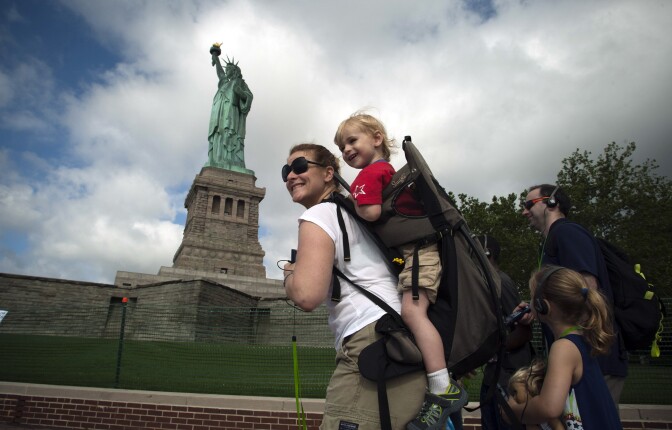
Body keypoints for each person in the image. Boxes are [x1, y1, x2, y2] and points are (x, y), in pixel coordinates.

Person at [334, 112, 467, 430]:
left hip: (418, 254)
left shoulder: (368, 176)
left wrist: (347, 202)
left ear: (376, 138)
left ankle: (441, 388)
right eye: (341, 147)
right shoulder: (386, 171)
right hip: (419, 254)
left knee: (412, 313)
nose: (347, 150)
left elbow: (370, 212)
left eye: (352, 140)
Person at [282, 143, 426, 430]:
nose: (290, 176)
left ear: (328, 173)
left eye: (300, 167)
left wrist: (289, 273)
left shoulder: (318, 216)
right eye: (286, 171)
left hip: (369, 340)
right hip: (402, 334)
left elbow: (307, 295)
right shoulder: (355, 212)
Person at [521, 184, 627, 407]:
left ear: (552, 203)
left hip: (592, 358)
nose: (524, 211)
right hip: (579, 359)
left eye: (529, 204)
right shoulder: (555, 238)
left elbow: (587, 287)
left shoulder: (567, 232)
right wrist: (536, 306)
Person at [506, 266, 622, 428]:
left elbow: (549, 408)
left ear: (543, 305)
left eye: (532, 297)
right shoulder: (580, 337)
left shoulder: (563, 347)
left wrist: (514, 411)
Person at [476, 235, 533, 430]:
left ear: (486, 253)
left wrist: (488, 349)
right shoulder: (487, 283)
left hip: (509, 376)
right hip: (494, 375)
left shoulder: (502, 282)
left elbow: (523, 331)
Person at [207, 46, 253, 167]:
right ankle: (218, 159)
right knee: (219, 134)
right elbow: (220, 73)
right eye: (226, 69)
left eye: (229, 70)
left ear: (235, 71)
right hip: (219, 112)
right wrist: (216, 59)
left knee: (229, 133)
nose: (226, 71)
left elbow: (249, 96)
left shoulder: (240, 82)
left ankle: (231, 160)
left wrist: (240, 92)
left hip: (231, 112)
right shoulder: (224, 82)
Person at [507, 360, 564, 430]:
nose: (513, 398)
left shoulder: (547, 413)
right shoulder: (528, 420)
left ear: (528, 385)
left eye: (515, 392)